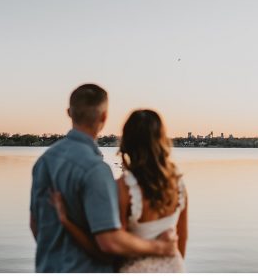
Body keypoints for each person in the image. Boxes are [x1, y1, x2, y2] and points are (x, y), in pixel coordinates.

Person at [29, 84, 177, 272]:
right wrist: (160, 247)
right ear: (104, 117)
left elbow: (35, 224)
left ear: (69, 113)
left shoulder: (44, 162)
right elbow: (109, 242)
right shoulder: (96, 170)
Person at [50, 109, 188, 272]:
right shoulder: (178, 185)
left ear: (127, 141)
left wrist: (66, 220)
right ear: (161, 140)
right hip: (174, 267)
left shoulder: (124, 188)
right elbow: (181, 240)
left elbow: (110, 248)